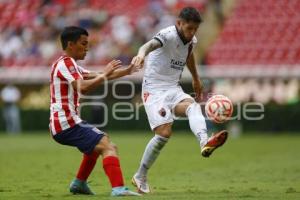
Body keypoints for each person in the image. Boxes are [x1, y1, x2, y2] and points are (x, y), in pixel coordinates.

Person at [130, 7, 228, 193]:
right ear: (179, 23)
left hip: (173, 88)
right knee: (164, 133)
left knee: (192, 107)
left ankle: (204, 142)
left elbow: (188, 55)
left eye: (195, 30)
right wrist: (140, 55)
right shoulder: (167, 35)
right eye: (189, 28)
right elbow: (147, 46)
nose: (192, 33)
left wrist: (196, 78)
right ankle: (140, 175)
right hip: (154, 90)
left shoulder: (192, 40)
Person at [49, 26, 140, 197]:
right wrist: (104, 74)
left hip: (65, 122)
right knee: (108, 145)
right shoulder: (66, 63)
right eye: (83, 43)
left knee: (94, 149)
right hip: (65, 123)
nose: (87, 47)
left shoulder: (70, 65)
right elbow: (83, 87)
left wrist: (127, 71)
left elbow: (99, 75)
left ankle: (79, 184)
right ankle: (119, 189)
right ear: (70, 44)